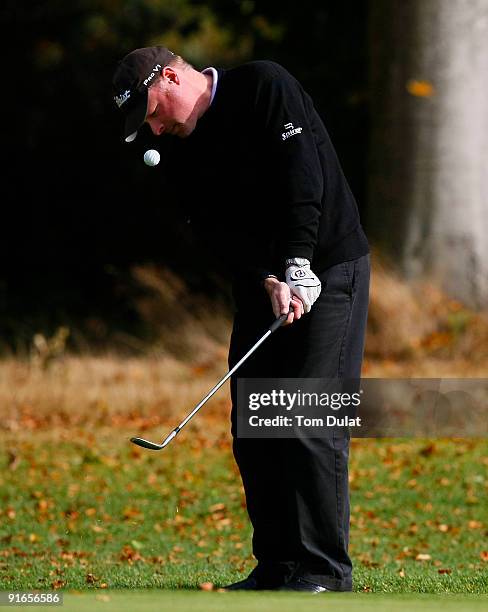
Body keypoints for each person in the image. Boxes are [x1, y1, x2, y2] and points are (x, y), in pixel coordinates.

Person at [112, 46, 370, 593]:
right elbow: (214, 233)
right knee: (254, 425)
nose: (153, 127)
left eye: (153, 111)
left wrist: (298, 263)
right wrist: (266, 279)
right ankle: (279, 564)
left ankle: (324, 570)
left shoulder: (263, 86)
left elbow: (305, 180)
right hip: (265, 283)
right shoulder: (182, 149)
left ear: (172, 77)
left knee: (306, 416)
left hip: (329, 263)